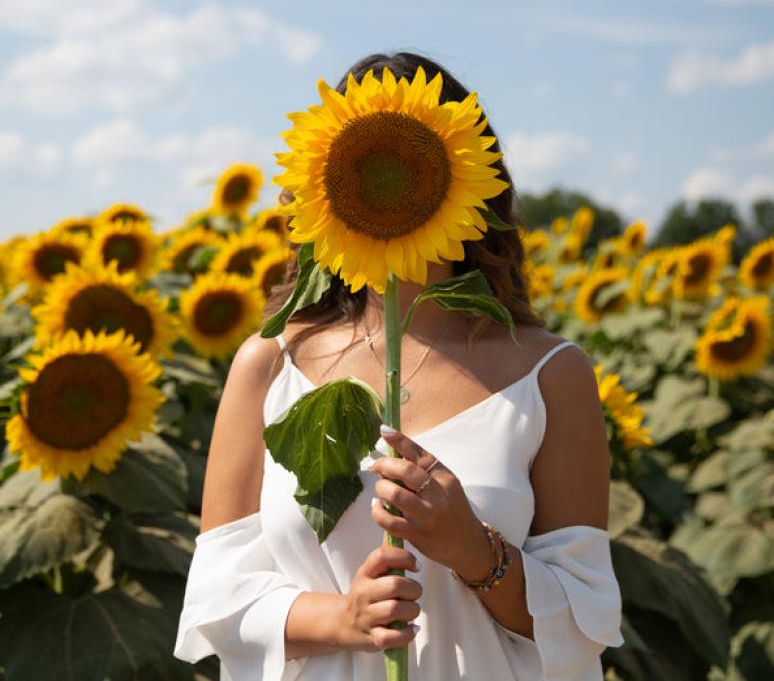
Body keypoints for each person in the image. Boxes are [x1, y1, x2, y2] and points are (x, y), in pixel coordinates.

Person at [173, 52, 625, 680]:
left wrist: (475, 552)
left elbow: (586, 621)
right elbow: (216, 599)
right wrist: (342, 619)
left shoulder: (549, 373)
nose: (384, 186)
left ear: (469, 180)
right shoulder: (270, 366)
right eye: (360, 169)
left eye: (406, 165)